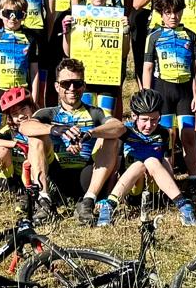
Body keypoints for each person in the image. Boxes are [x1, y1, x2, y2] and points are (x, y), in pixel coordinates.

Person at [19, 58, 127, 225]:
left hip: (87, 175)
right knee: (35, 139)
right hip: (56, 174)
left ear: (83, 86)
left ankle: (88, 202)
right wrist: (54, 129)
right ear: (57, 86)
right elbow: (25, 127)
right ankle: (45, 201)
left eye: (76, 84)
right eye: (66, 84)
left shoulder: (94, 112)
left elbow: (119, 127)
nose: (71, 88)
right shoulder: (49, 113)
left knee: (111, 139)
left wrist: (91, 133)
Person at [102, 88, 196, 227]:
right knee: (141, 164)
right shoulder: (125, 132)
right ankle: (109, 205)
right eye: (144, 120)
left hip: (155, 190)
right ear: (133, 116)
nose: (149, 125)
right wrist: (106, 195)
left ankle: (183, 206)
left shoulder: (164, 134)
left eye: (154, 120)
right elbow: (115, 166)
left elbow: (168, 164)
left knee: (152, 161)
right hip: (131, 190)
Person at [142, 0, 196, 199]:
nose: (173, 17)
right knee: (168, 137)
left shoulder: (191, 35)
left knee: (189, 135)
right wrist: (146, 97)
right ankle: (168, 181)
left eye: (177, 12)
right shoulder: (154, 36)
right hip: (162, 91)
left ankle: (194, 179)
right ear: (161, 13)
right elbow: (148, 68)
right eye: (168, 12)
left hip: (185, 92)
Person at [60, 0, 128, 115]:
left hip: (107, 77)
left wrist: (125, 32)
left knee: (106, 116)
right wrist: (66, 32)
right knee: (85, 117)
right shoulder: (77, 16)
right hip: (85, 77)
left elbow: (124, 54)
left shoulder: (117, 17)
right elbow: (68, 52)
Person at [0, 0, 39, 122]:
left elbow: (35, 71)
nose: (12, 18)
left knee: (23, 127)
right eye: (8, 13)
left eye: (18, 14)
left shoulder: (31, 38)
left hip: (22, 90)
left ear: (24, 16)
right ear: (0, 14)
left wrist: (34, 96)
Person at [0, 86, 36, 205]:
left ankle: (29, 194)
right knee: (1, 150)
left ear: (31, 108)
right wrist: (15, 143)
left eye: (23, 109)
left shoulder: (40, 126)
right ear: (10, 118)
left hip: (34, 176)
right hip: (12, 176)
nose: (21, 116)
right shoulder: (10, 130)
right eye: (15, 114)